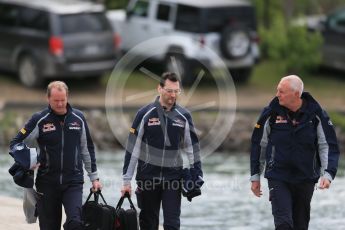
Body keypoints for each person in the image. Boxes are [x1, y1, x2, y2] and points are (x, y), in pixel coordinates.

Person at [250, 75, 340, 230]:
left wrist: (328, 173)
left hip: (305, 177)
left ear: (296, 94)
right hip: (278, 176)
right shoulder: (270, 113)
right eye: (277, 90)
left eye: (281, 91)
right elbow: (259, 145)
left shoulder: (317, 114)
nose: (277, 94)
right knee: (284, 224)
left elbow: (327, 145)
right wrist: (255, 176)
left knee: (300, 225)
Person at [10, 81, 102, 230]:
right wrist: (28, 160)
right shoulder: (39, 119)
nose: (60, 104)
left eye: (63, 100)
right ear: (48, 99)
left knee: (75, 224)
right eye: (56, 100)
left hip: (73, 181)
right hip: (46, 183)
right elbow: (16, 143)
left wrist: (94, 178)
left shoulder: (78, 118)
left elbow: (87, 149)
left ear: (67, 97)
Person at [120, 72, 203, 230]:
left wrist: (197, 174)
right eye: (169, 91)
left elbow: (193, 149)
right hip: (147, 178)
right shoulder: (144, 114)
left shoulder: (184, 116)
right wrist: (126, 181)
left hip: (173, 178)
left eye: (176, 91)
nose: (173, 95)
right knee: (148, 224)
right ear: (159, 89)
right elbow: (133, 149)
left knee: (172, 225)